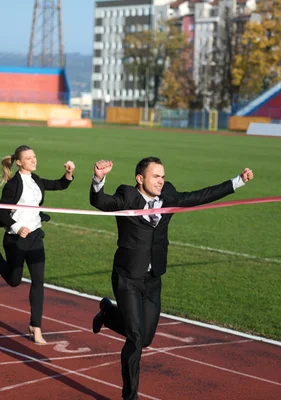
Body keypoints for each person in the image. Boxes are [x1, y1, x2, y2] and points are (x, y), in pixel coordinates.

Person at [89, 157, 253, 400]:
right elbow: (101, 202)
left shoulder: (168, 194)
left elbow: (200, 196)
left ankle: (108, 314)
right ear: (140, 179)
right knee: (134, 340)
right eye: (155, 176)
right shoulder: (126, 195)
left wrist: (237, 181)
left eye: (162, 176)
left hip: (154, 279)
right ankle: (129, 396)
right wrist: (99, 179)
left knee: (145, 338)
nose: (161, 181)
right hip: (128, 277)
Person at [0, 145, 75, 344]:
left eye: (34, 157)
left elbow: (59, 185)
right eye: (29, 158)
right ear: (19, 162)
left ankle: (36, 326)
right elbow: (1, 212)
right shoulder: (13, 185)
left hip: (35, 237)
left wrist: (68, 174)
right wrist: (17, 228)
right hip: (15, 238)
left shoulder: (36, 180)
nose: (34, 160)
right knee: (14, 281)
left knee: (38, 281)